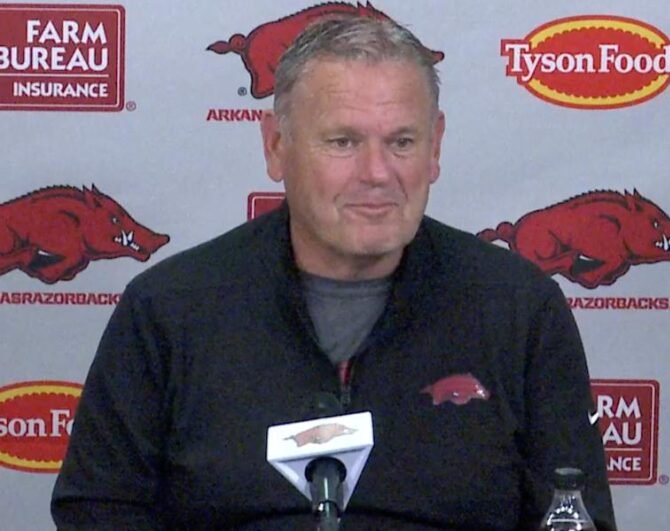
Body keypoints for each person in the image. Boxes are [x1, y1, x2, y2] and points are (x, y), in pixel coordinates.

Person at [51, 15, 617, 531]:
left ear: (435, 148)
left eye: (401, 142)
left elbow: (573, 515)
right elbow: (97, 511)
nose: (377, 173)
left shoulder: (519, 309)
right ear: (277, 146)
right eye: (343, 142)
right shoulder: (168, 309)